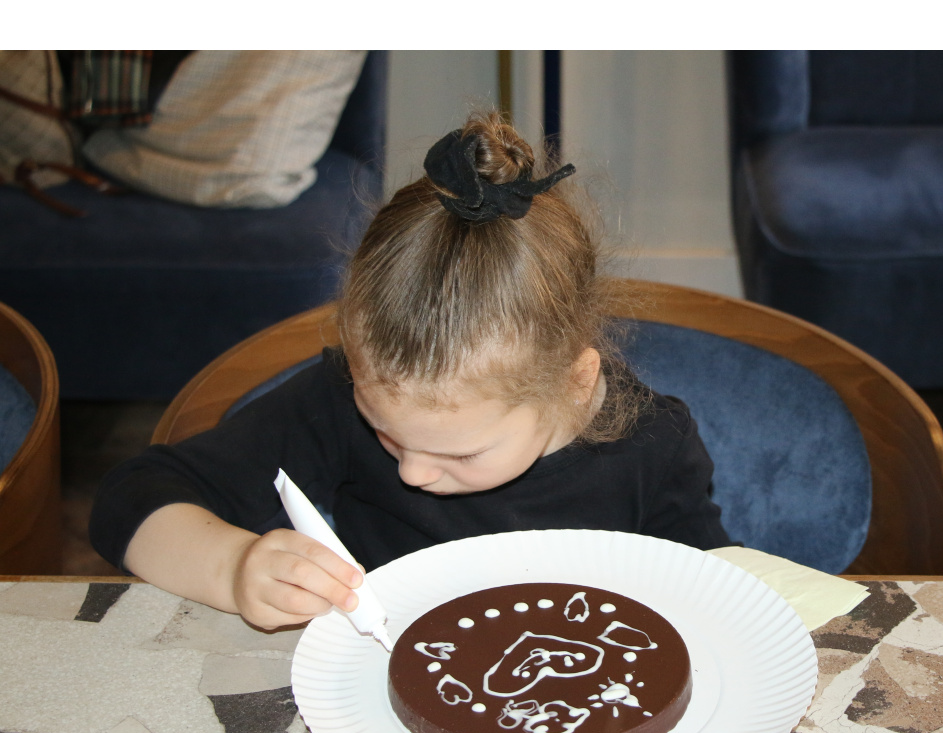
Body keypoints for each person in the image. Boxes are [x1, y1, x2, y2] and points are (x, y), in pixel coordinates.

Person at [90, 111, 731, 632]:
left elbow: (714, 599)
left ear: (574, 381)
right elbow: (130, 500)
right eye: (386, 433)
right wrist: (232, 568)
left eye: (463, 453)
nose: (411, 472)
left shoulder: (654, 445)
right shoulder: (337, 401)